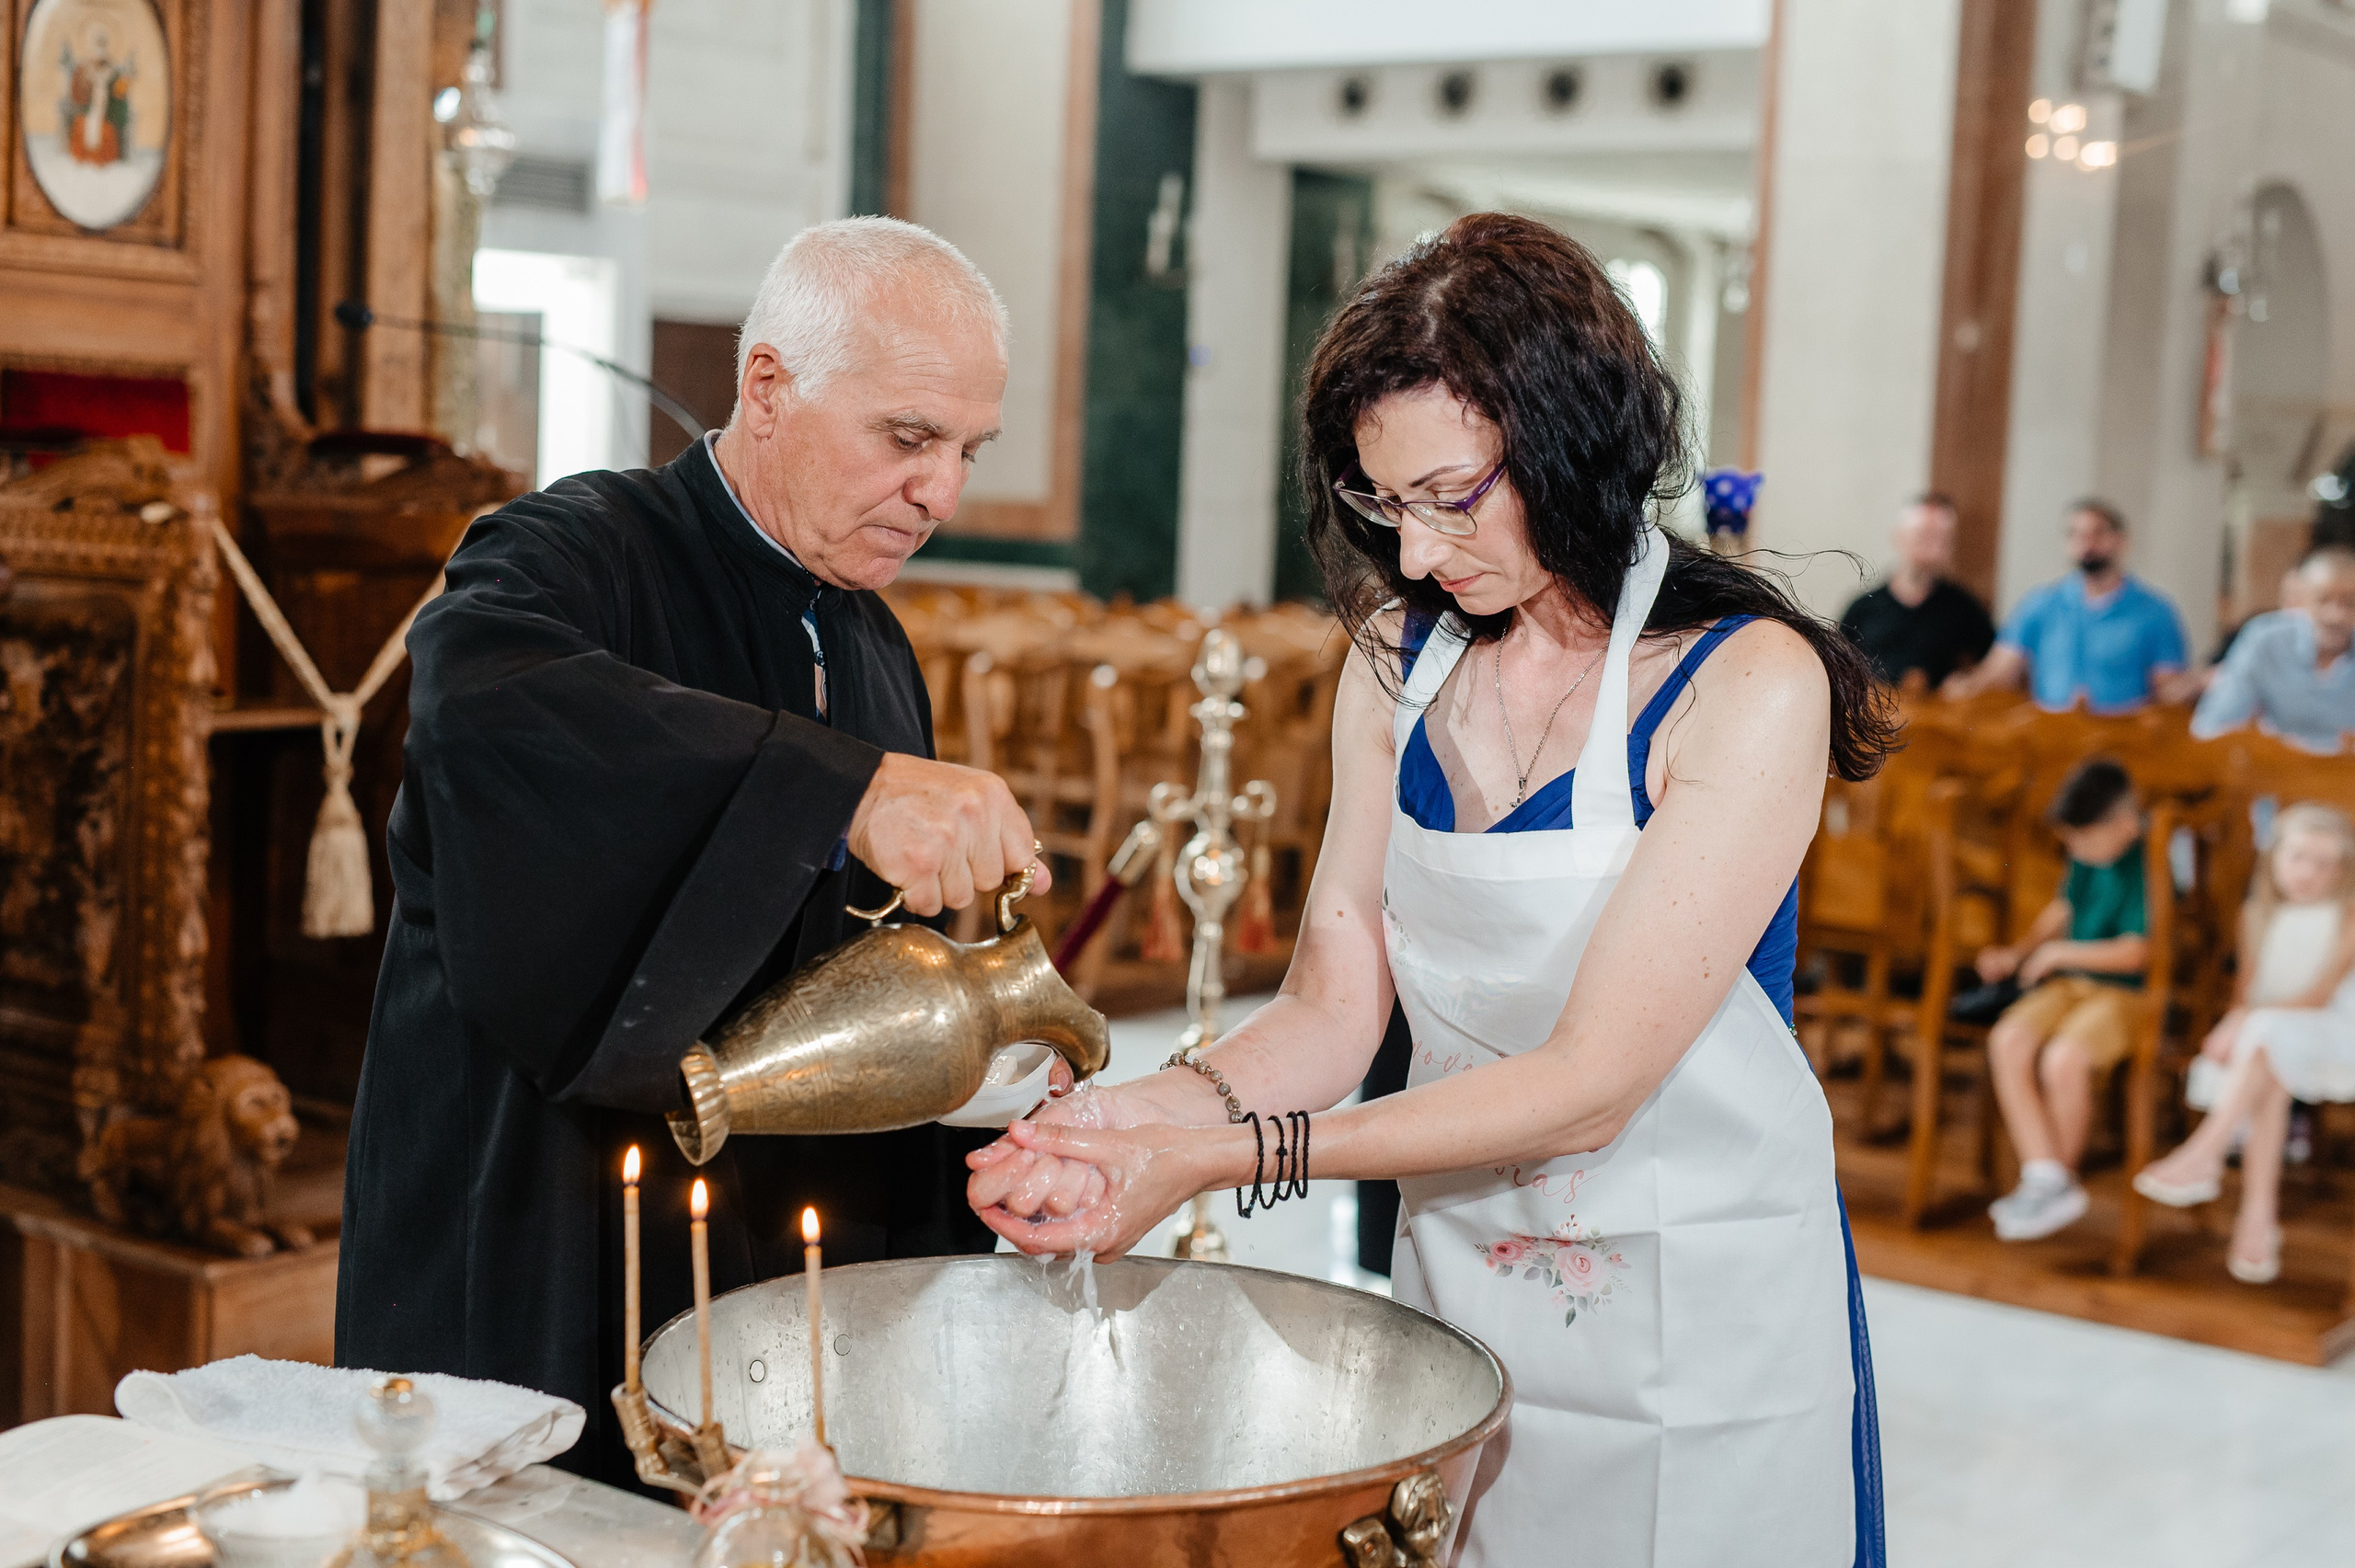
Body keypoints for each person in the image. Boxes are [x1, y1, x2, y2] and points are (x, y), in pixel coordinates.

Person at [967, 214, 1895, 1566]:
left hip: (1704, 1306)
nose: (1412, 555)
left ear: (1574, 438)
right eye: (1383, 504)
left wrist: (1216, 1159)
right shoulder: (1396, 665)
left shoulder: (1746, 682)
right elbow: (1332, 1009)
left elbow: (1592, 1083)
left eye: (1451, 497)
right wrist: (1123, 1120)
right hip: (1462, 1275)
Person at [337, 217, 1051, 1484]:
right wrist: (839, 792)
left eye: (967, 451)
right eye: (907, 438)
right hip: (554, 1236)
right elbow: (482, 702)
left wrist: (982, 1084)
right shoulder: (569, 552)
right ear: (766, 387)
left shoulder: (874, 642)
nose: (942, 494)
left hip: (777, 1267)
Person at [2134, 805, 2355, 1283]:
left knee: (2266, 1039)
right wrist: (2231, 1023)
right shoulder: (2255, 915)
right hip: (2272, 1035)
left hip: (2333, 1030)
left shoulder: (2348, 916)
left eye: (2324, 864)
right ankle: (2257, 1220)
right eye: (2298, 858)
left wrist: (2245, 1022)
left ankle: (2206, 1151)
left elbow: (2319, 996)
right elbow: (2246, 994)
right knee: (2268, 1069)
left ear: (2342, 871)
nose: (2309, 873)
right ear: (2275, 859)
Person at [1976, 759, 2150, 1242]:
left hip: (2127, 994)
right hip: (2070, 984)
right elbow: (2063, 908)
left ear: (2125, 823)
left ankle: (2056, 1181)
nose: (2075, 849)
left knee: (2064, 1060)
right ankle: (2045, 1176)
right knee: (2008, 1039)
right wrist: (2019, 953)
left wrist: (2059, 952)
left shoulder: (2149, 860)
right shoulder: (2087, 856)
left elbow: (2139, 952)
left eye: (2082, 839)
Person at [1946, 500, 2194, 711]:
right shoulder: (2041, 604)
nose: (2088, 543)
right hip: (2051, 732)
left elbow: (2166, 689)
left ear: (2120, 540)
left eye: (2098, 533)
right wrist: (1966, 686)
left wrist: (2198, 684)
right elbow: (2001, 670)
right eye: (2077, 534)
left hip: (2121, 737)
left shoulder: (2155, 612)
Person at [2191, 546, 2355, 752]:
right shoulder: (2266, 639)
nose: (2336, 615)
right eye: (2323, 600)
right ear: (2302, 599)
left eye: (2350, 603)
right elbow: (2213, 726)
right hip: (2276, 764)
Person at [1837, 492, 1995, 690]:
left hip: (1936, 708)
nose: (1931, 548)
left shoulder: (1963, 607)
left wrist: (1969, 682)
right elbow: (1838, 665)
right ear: (1899, 537)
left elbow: (1996, 661)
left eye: (1941, 539)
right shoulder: (1863, 608)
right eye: (1923, 536)